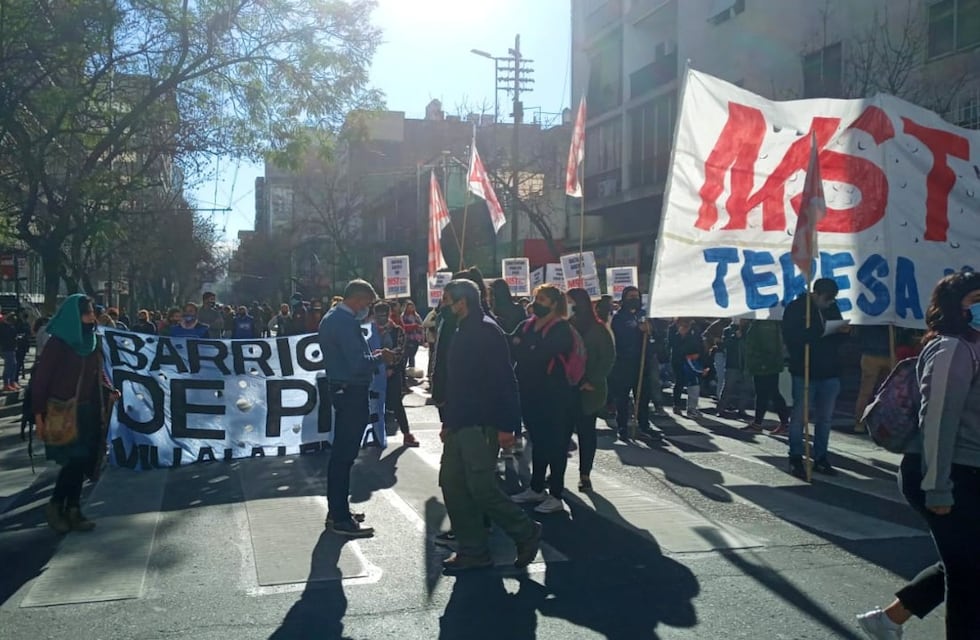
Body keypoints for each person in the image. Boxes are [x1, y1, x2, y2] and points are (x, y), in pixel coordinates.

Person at [857, 270, 980, 640]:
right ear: (958, 307)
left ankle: (888, 620)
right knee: (967, 573)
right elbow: (938, 419)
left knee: (965, 561)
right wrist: (938, 487)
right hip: (947, 473)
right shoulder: (952, 348)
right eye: (977, 300)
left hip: (970, 471)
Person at [439, 279, 541, 572]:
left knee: (481, 487)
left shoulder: (486, 330)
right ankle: (473, 549)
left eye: (447, 300)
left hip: (482, 423)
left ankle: (525, 531)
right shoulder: (462, 328)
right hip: (461, 422)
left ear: (463, 301)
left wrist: (508, 426)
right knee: (452, 483)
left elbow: (505, 381)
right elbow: (458, 382)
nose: (443, 305)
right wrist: (449, 421)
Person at [33, 294, 120, 533]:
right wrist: (38, 416)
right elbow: (41, 381)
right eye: (87, 313)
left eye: (92, 312)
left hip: (88, 410)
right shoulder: (58, 343)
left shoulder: (91, 340)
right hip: (63, 411)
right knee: (73, 461)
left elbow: (97, 372)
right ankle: (56, 505)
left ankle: (73, 510)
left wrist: (109, 389)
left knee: (83, 462)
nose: (92, 317)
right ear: (74, 316)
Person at [318, 280, 395, 538]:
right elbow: (356, 363)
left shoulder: (333, 318)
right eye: (367, 303)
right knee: (344, 454)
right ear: (359, 299)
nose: (368, 310)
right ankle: (339, 516)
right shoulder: (344, 322)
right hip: (351, 391)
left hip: (343, 390)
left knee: (343, 454)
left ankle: (337, 510)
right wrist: (379, 357)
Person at [510, 284, 577, 514]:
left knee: (556, 444)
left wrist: (526, 348)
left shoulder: (561, 328)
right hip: (530, 393)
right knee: (537, 441)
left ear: (554, 304)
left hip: (555, 396)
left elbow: (540, 354)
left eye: (543, 299)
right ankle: (537, 488)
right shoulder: (527, 325)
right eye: (537, 297)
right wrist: (526, 348)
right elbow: (514, 345)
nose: (536, 302)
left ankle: (556, 494)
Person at [782, 278, 849, 479]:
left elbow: (835, 334)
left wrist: (842, 332)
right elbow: (792, 338)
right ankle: (795, 457)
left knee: (825, 419)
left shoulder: (832, 308)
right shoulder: (796, 308)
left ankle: (821, 457)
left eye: (833, 299)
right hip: (804, 370)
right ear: (816, 293)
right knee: (799, 417)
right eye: (827, 298)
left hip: (830, 370)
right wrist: (819, 332)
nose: (830, 302)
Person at [568, 288, 615, 492]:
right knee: (562, 433)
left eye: (570, 302)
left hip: (589, 389)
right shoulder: (567, 326)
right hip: (569, 387)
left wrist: (592, 380)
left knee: (587, 432)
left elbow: (608, 358)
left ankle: (585, 474)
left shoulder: (599, 329)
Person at [609, 287, 655, 439]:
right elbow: (619, 335)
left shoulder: (644, 314)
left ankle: (643, 425)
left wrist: (649, 330)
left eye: (636, 296)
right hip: (624, 363)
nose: (634, 299)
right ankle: (622, 427)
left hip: (642, 362)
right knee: (622, 398)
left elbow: (655, 335)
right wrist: (637, 329)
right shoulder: (619, 317)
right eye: (631, 296)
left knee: (643, 396)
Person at [374, 302, 419, 448]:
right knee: (372, 404)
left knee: (397, 403)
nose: (381, 318)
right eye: (378, 315)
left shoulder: (397, 330)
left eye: (384, 315)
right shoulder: (369, 330)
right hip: (373, 373)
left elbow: (401, 351)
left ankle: (406, 434)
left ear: (389, 315)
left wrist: (392, 368)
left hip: (391, 373)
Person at [743, 319, 790, 434]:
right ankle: (760, 423)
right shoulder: (763, 323)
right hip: (764, 364)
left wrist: (763, 363)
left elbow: (768, 347)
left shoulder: (765, 325)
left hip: (765, 365)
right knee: (766, 394)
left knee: (770, 393)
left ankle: (783, 423)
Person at [853, 325, 893, 433]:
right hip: (886, 352)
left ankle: (860, 423)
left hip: (873, 352)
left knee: (867, 392)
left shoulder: (870, 312)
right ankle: (881, 424)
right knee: (887, 391)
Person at [717, 318, 754, 420]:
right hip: (733, 364)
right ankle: (721, 408)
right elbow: (725, 345)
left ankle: (742, 409)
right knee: (728, 387)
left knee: (746, 388)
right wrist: (735, 337)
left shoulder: (750, 330)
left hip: (746, 364)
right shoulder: (728, 330)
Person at [669, 318, 705, 417]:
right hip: (679, 360)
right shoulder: (673, 328)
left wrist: (699, 355)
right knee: (679, 382)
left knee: (694, 384)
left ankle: (692, 408)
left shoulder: (695, 328)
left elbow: (700, 343)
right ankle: (677, 405)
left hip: (693, 360)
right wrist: (681, 335)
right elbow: (671, 344)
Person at [401, 300, 424, 370]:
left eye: (412, 307)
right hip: (407, 338)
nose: (411, 309)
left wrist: (422, 337)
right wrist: (413, 326)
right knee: (406, 355)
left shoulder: (417, 316)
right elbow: (402, 326)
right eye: (409, 307)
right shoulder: (403, 316)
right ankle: (404, 371)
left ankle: (411, 371)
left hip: (416, 338)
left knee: (412, 355)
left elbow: (421, 325)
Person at [0, 313, 19, 391]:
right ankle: (6, 384)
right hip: (6, 348)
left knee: (14, 365)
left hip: (12, 348)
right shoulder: (3, 327)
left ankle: (12, 381)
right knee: (9, 366)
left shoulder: (11, 327)